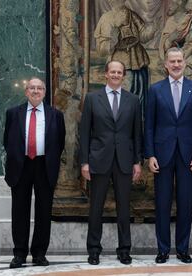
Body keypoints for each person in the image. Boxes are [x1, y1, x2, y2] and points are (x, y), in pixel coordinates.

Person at [144, 47, 192, 264]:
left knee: (185, 203)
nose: (176, 64)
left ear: (185, 63)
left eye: (180, 61)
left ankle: (182, 249)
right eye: (172, 61)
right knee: (162, 203)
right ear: (166, 65)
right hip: (161, 155)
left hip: (188, 155)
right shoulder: (155, 90)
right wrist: (149, 154)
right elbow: (149, 126)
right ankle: (162, 249)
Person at [80, 61, 143, 265]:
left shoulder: (133, 100)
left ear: (123, 76)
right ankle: (94, 250)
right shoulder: (91, 98)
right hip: (98, 160)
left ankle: (124, 249)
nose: (116, 75)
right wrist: (84, 163)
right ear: (105, 74)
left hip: (124, 161)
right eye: (112, 72)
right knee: (96, 207)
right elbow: (84, 133)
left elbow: (137, 134)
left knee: (124, 208)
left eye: (119, 72)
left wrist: (137, 162)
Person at [4, 77, 66, 269]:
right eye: (32, 88)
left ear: (45, 92)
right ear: (26, 91)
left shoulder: (56, 115)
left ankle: (39, 254)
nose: (36, 91)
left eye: (40, 88)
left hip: (44, 165)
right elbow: (7, 140)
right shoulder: (13, 113)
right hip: (21, 166)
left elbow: (60, 142)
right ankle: (20, 254)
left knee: (43, 211)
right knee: (19, 211)